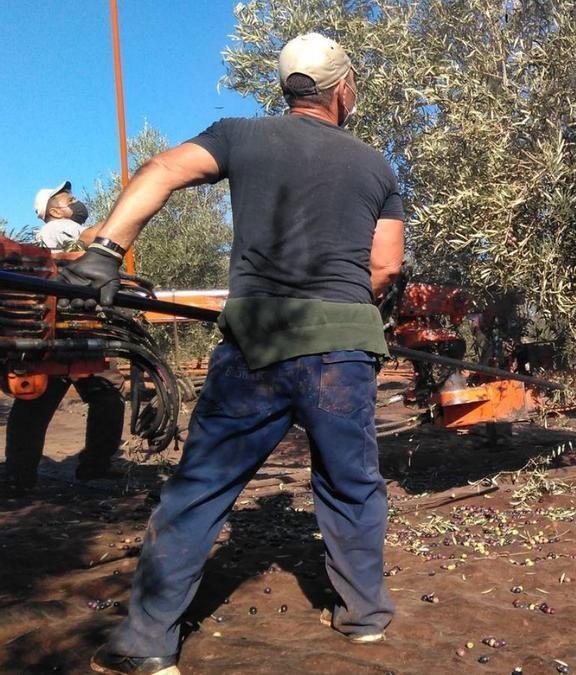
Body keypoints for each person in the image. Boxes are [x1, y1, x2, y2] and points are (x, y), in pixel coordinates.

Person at [62, 33, 406, 675]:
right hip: (341, 351)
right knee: (351, 483)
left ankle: (146, 643)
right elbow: (384, 266)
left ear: (289, 89)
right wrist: (351, 313)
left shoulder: (239, 135)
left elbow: (161, 169)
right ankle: (364, 619)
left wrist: (105, 249)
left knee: (201, 488)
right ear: (341, 89)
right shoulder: (377, 167)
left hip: (255, 343)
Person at [1, 182, 124, 496]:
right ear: (54, 210)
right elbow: (90, 237)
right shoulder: (60, 228)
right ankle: (94, 465)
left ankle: (19, 476)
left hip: (61, 327)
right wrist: (125, 214)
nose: (77, 203)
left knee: (36, 404)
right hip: (71, 329)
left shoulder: (49, 237)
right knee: (104, 395)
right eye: (70, 200)